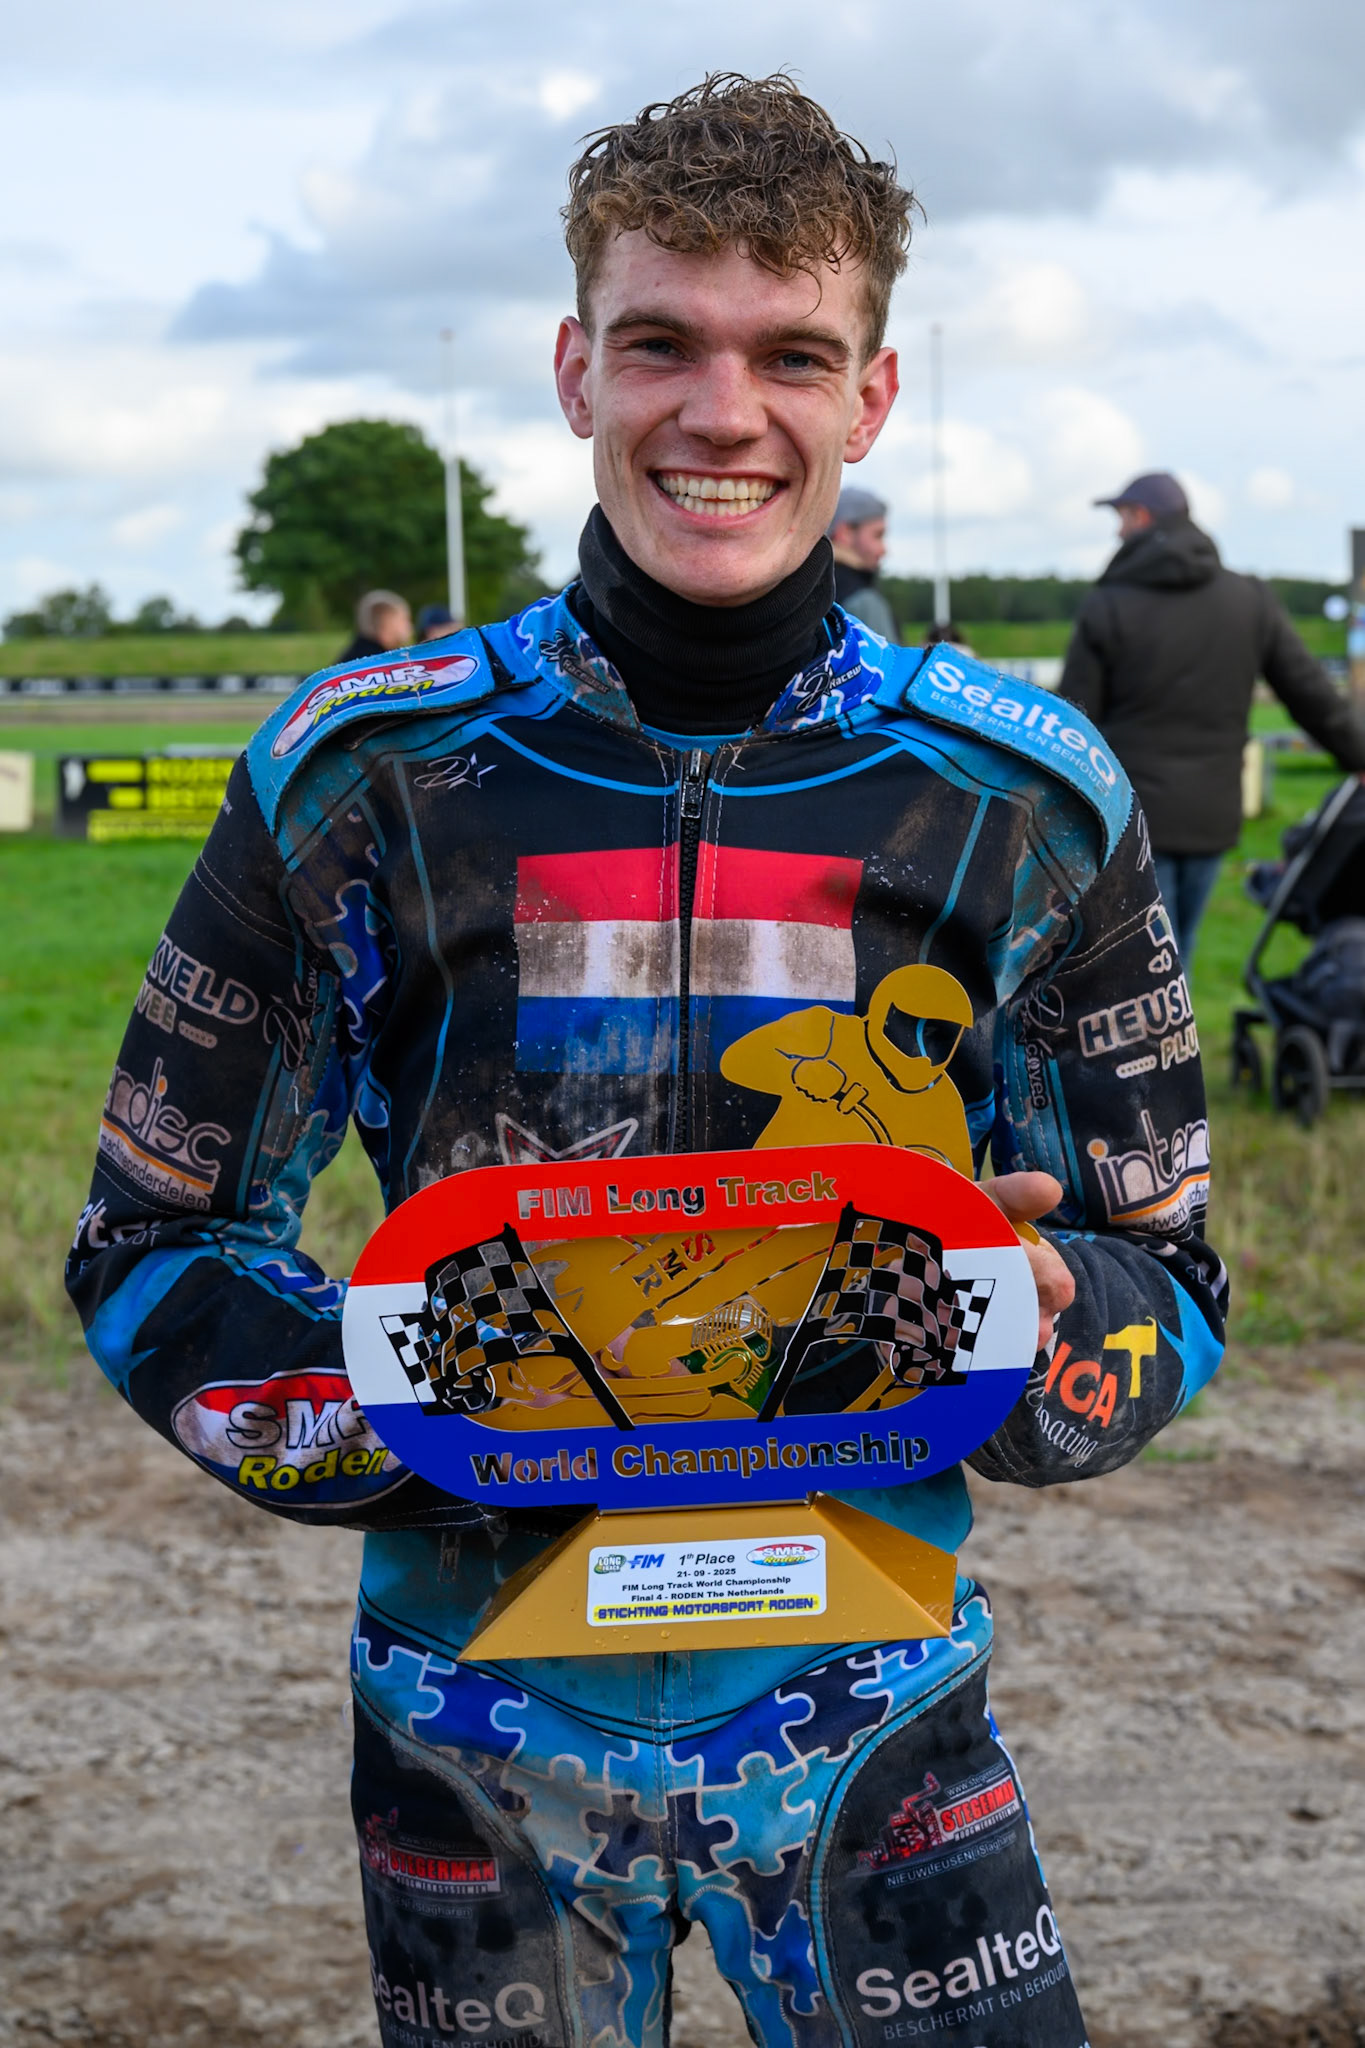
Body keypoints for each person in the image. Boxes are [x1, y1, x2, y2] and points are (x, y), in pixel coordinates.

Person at [68, 74, 1226, 2048]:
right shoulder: (361, 770)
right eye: (660, 343)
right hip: (470, 1720)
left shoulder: (1025, 793)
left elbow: (1168, 1284)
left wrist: (1044, 1328)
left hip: (876, 1714)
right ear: (570, 366)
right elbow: (149, 1245)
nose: (719, 411)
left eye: (790, 352)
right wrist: (409, 1401)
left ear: (867, 400)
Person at [1061, 471, 1365, 963]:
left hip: (1129, 817)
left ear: (1141, 517)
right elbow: (1309, 692)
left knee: (1144, 960)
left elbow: (1073, 722)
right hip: (1212, 814)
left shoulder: (1108, 604)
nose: (1117, 532)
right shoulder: (1249, 600)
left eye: (1121, 519)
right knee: (1181, 953)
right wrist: (1358, 755)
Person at [828, 482, 898, 638]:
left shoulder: (803, 592)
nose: (884, 549)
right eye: (877, 535)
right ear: (845, 533)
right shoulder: (864, 602)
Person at [338, 587, 415, 662]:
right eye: (404, 619)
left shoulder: (355, 655)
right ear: (386, 622)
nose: (410, 626)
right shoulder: (380, 663)